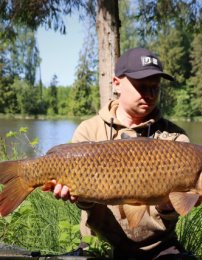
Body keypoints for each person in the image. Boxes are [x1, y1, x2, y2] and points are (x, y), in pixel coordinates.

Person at [51, 47, 190, 259]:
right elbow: (85, 203)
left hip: (158, 247)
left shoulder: (176, 140)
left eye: (156, 87)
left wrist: (170, 205)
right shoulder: (89, 131)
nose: (151, 95)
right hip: (99, 244)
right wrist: (77, 193)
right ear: (117, 83)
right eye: (142, 86)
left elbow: (174, 211)